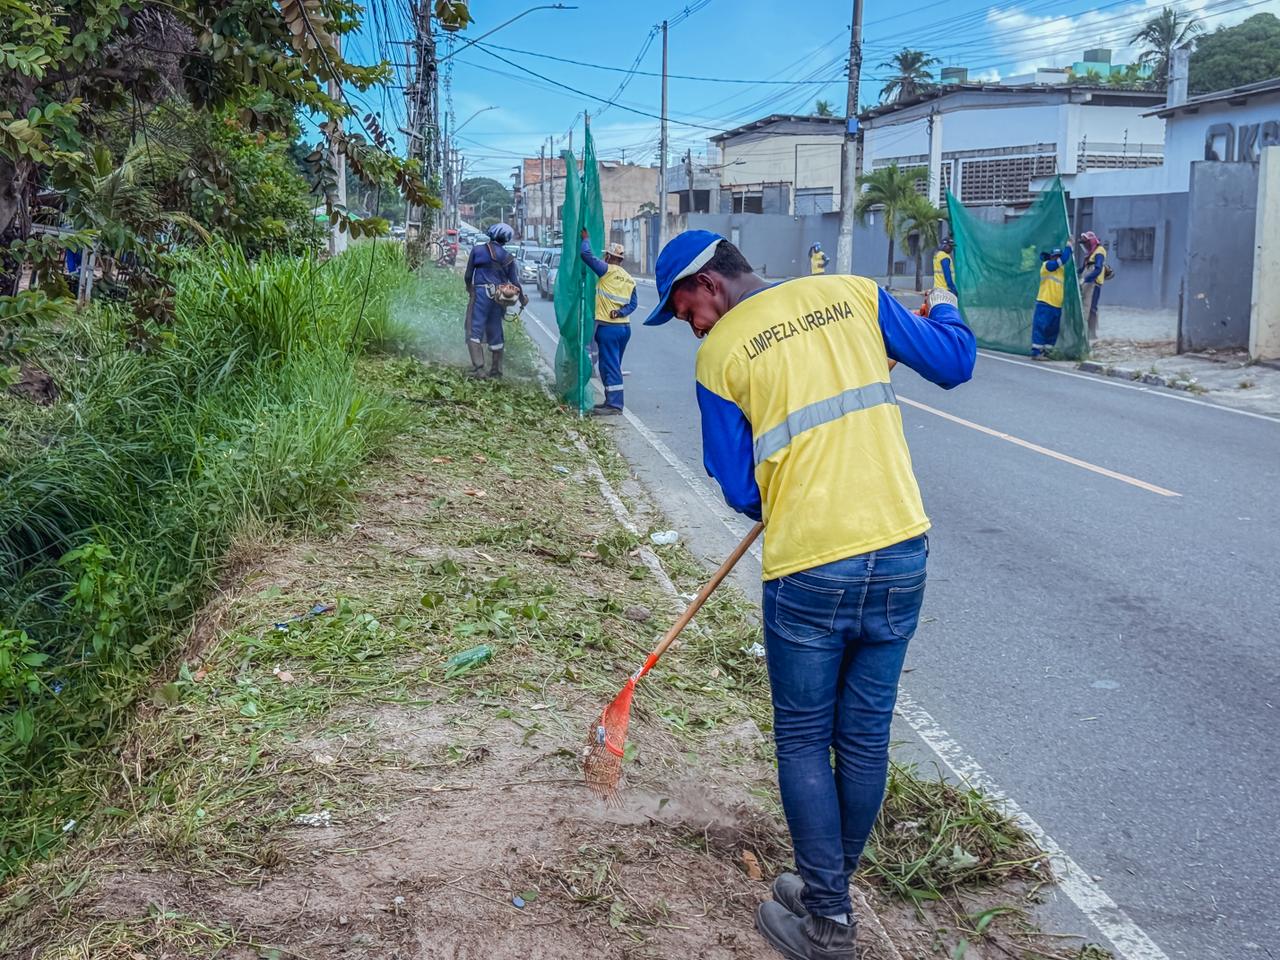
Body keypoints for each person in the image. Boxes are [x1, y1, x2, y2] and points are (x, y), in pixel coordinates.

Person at [643, 230, 976, 960]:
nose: (690, 324)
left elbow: (737, 487)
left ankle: (827, 921)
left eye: (683, 308)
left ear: (709, 284)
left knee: (802, 738)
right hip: (898, 552)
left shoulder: (721, 354)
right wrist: (944, 305)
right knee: (862, 737)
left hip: (810, 568)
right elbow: (954, 362)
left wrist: (781, 475)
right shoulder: (853, 295)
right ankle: (827, 888)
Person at [579, 229, 638, 416]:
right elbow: (633, 304)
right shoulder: (629, 279)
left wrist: (586, 239)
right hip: (624, 328)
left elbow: (586, 255)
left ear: (608, 257)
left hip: (607, 328)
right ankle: (611, 401)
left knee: (609, 366)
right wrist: (620, 312)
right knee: (613, 365)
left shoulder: (606, 271)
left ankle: (614, 405)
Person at [463, 223, 528, 379]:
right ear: (506, 239)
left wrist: (469, 288)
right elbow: (515, 282)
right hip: (499, 297)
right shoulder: (508, 257)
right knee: (495, 328)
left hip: (480, 294)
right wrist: (522, 298)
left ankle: (479, 368)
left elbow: (468, 275)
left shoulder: (477, 250)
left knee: (474, 328)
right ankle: (496, 371)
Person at [1031, 242, 1072, 360]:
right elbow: (1062, 261)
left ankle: (1047, 351)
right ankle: (1036, 352)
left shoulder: (1061, 270)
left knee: (1053, 330)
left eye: (1059, 256)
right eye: (1055, 256)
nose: (1057, 258)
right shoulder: (1047, 265)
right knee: (1041, 327)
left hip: (1056, 304)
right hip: (1045, 302)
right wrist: (1069, 247)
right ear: (1051, 257)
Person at [1078, 231, 1107, 340]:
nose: (1084, 246)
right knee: (1085, 306)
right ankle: (1086, 331)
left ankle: (1092, 333)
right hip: (1087, 283)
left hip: (1094, 284)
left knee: (1091, 308)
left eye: (1086, 243)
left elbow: (1098, 269)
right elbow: (1082, 269)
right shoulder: (1090, 254)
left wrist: (1085, 279)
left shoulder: (1099, 251)